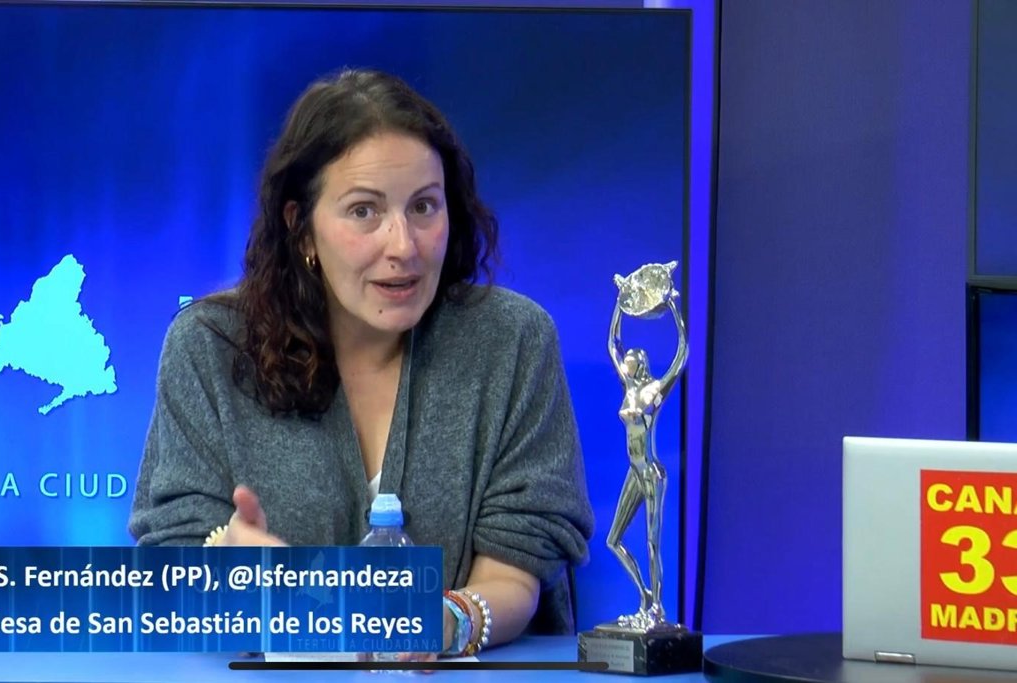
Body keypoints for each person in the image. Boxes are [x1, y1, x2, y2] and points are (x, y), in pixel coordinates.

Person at [129, 68, 593, 659]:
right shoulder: (210, 347)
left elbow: (517, 568)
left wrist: (444, 621)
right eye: (364, 211)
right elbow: (173, 563)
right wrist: (220, 567)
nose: (404, 245)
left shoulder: (512, 341)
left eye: (424, 206)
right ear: (301, 229)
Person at [604, 285, 686, 632]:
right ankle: (645, 596)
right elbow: (612, 344)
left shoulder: (654, 390)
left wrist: (673, 310)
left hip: (651, 473)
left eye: (630, 362)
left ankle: (656, 610)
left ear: (640, 364)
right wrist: (620, 303)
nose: (625, 365)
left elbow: (682, 354)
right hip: (633, 473)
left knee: (653, 543)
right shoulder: (629, 389)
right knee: (613, 540)